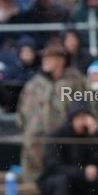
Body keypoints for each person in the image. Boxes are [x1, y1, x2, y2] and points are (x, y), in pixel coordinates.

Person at [16, 40, 88, 181]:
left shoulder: (76, 82)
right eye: (44, 57)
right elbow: (22, 115)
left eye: (50, 57)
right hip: (36, 146)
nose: (45, 61)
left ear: (61, 60)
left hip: (67, 146)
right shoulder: (33, 85)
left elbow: (87, 109)